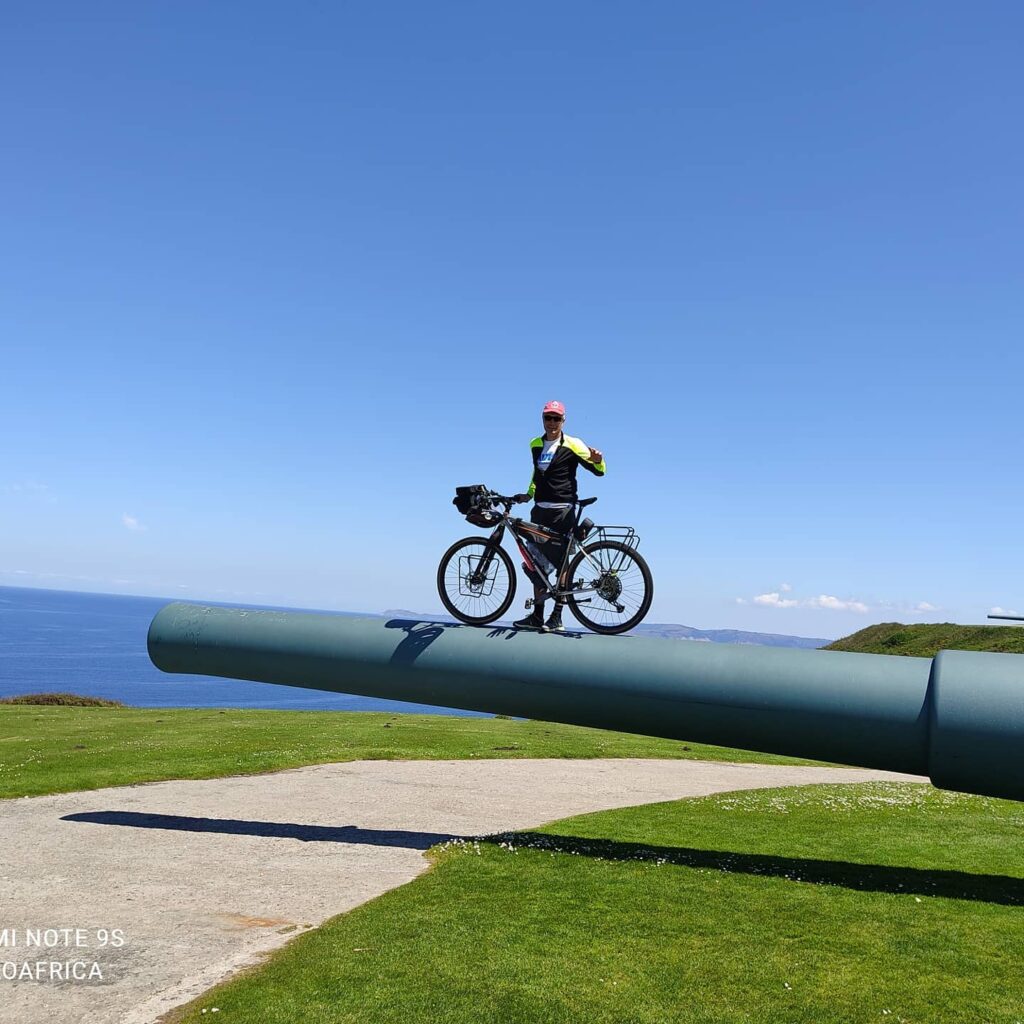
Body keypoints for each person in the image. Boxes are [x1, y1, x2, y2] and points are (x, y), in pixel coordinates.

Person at [512, 400, 606, 632]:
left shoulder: (573, 444)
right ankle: (537, 616)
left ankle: (557, 617)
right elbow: (537, 472)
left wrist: (598, 460)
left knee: (561, 561)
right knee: (535, 563)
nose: (552, 422)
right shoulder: (535, 444)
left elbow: (599, 470)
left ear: (563, 421)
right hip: (539, 509)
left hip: (562, 509)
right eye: (548, 418)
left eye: (556, 418)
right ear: (542, 419)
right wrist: (529, 493)